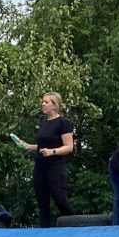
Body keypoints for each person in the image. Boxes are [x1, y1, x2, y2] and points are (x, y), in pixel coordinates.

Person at [24, 93, 75, 227]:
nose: (43, 104)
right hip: (40, 167)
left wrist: (52, 152)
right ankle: (44, 231)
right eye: (42, 102)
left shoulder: (63, 123)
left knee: (59, 199)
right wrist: (30, 146)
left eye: (46, 102)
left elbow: (69, 147)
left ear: (55, 105)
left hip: (55, 167)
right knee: (42, 202)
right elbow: (43, 146)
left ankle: (76, 224)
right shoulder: (43, 123)